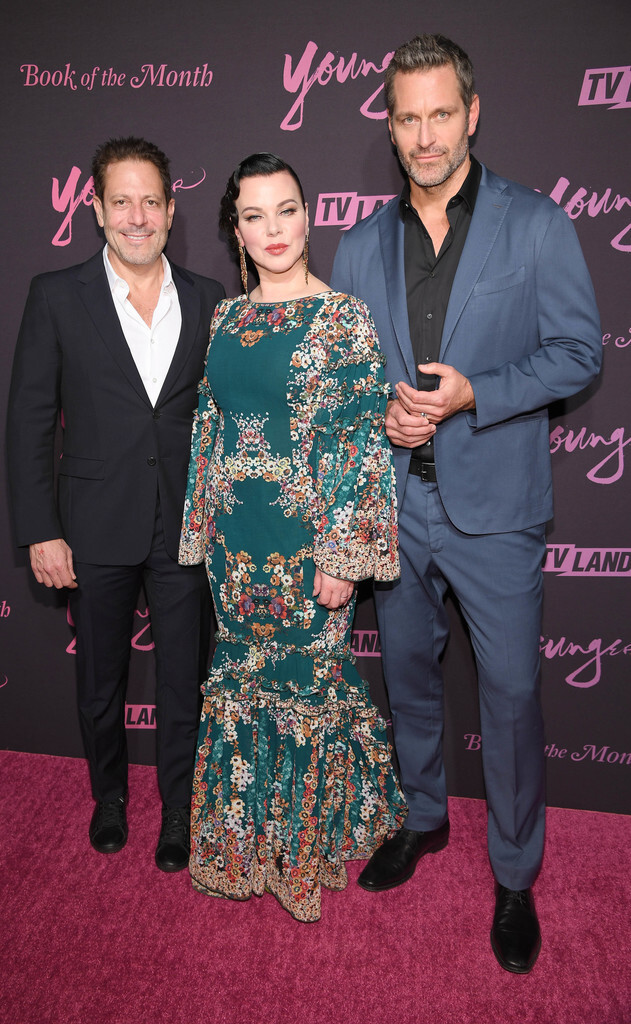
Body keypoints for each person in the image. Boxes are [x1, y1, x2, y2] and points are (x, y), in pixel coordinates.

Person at [331, 35, 602, 972]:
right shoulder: (359, 244)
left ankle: (515, 874)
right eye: (406, 118)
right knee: (406, 679)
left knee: (513, 694)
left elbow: (577, 353)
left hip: (497, 511)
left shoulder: (536, 223)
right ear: (389, 126)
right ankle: (421, 817)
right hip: (396, 508)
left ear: (471, 114)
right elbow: (344, 379)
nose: (424, 136)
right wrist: (383, 411)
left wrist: (472, 393)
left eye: (440, 114)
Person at [178, 153, 407, 922]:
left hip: (308, 550)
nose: (272, 229)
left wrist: (343, 556)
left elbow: (358, 443)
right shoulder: (226, 318)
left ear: (308, 217)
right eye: (254, 215)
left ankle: (299, 850)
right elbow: (209, 427)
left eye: (285, 210)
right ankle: (241, 845)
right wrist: (201, 531)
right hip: (235, 545)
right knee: (242, 686)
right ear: (236, 231)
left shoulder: (342, 318)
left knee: (304, 690)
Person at [7, 137, 224, 872]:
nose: (137, 216)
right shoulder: (55, 294)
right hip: (92, 524)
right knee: (100, 684)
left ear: (171, 209)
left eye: (150, 201)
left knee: (183, 681)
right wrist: (40, 530)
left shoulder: (209, 299)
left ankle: (178, 810)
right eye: (122, 201)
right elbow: (30, 421)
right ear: (96, 209)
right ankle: (109, 797)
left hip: (184, 526)